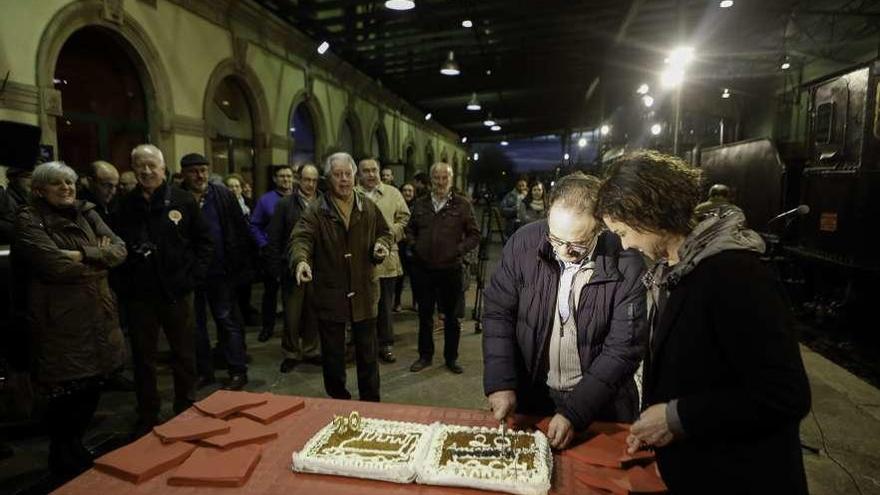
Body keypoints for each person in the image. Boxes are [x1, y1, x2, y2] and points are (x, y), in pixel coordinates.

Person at [596, 150, 811, 493]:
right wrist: (657, 425)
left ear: (648, 212)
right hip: (698, 468)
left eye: (623, 231)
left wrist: (676, 417)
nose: (626, 244)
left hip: (742, 477)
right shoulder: (675, 270)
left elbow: (785, 395)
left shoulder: (736, 275)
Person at [482, 173, 647, 449]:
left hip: (599, 403)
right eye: (556, 239)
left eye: (578, 244)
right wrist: (501, 382)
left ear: (600, 227)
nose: (563, 252)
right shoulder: (524, 243)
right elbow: (499, 313)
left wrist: (576, 411)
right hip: (534, 395)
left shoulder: (626, 261)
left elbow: (623, 348)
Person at [14, 161, 126, 478]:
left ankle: (76, 447)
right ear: (39, 190)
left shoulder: (87, 211)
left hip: (97, 315)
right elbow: (55, 265)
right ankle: (62, 456)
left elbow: (120, 250)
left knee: (92, 385)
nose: (67, 188)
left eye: (70, 182)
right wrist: (97, 257)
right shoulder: (29, 219)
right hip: (59, 320)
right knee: (65, 392)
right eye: (57, 183)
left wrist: (82, 255)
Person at [113, 144, 213, 431]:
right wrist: (124, 284)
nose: (146, 171)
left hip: (177, 293)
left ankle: (185, 406)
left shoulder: (182, 200)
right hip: (140, 296)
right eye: (140, 166)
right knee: (143, 359)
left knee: (184, 353)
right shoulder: (124, 205)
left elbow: (204, 242)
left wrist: (193, 277)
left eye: (151, 166)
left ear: (163, 168)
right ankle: (147, 412)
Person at [290, 152, 391, 402]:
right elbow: (300, 238)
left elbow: (385, 233)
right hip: (330, 293)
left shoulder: (367, 206)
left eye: (348, 174)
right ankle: (339, 403)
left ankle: (371, 404)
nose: (344, 180)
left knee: (368, 355)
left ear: (354, 176)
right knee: (333, 358)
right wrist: (301, 260)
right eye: (338, 175)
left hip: (364, 292)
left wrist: (382, 245)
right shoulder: (316, 210)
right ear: (328, 178)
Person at [179, 153, 253, 391]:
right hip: (191, 274)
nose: (200, 175)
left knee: (226, 320)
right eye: (194, 171)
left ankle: (237, 370)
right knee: (196, 325)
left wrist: (238, 266)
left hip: (221, 272)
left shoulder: (222, 195)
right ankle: (205, 371)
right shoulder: (177, 197)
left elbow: (239, 230)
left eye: (203, 169)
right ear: (184, 173)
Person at [406, 162, 480, 374]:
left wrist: (458, 250)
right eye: (436, 178)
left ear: (451, 180)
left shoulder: (462, 205)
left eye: (444, 178)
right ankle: (425, 356)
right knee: (425, 315)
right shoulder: (420, 204)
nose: (440, 182)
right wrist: (414, 246)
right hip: (424, 270)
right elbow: (410, 229)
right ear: (431, 180)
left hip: (450, 270)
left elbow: (474, 234)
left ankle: (451, 358)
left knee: (451, 318)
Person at [267, 163, 321, 373]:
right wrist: (275, 269)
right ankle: (291, 352)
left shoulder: (323, 202)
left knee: (313, 311)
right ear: (299, 179)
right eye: (307, 179)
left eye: (314, 180)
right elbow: (274, 237)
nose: (310, 184)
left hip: (318, 268)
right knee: (292, 314)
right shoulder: (285, 204)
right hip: (291, 267)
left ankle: (311, 350)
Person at [357, 158, 410, 363]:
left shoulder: (393, 193)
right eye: (366, 171)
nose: (371, 174)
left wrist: (389, 236)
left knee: (385, 306)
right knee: (361, 305)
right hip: (359, 260)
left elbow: (404, 219)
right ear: (358, 174)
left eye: (374, 170)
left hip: (386, 258)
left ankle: (385, 344)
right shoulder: (352, 194)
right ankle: (362, 344)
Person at [250, 165, 295, 342]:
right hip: (273, 254)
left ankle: (291, 329)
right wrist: (264, 244)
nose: (286, 179)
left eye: (289, 176)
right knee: (270, 293)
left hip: (294, 254)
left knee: (291, 295)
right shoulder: (266, 200)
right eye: (282, 176)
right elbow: (254, 225)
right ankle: (267, 327)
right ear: (275, 179)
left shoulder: (298, 198)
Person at [394, 183, 416, 311]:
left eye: (410, 190)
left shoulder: (417, 206)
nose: (407, 193)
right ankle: (397, 302)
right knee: (399, 277)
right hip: (400, 244)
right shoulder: (397, 204)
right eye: (405, 190)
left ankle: (415, 302)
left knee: (415, 277)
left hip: (413, 245)